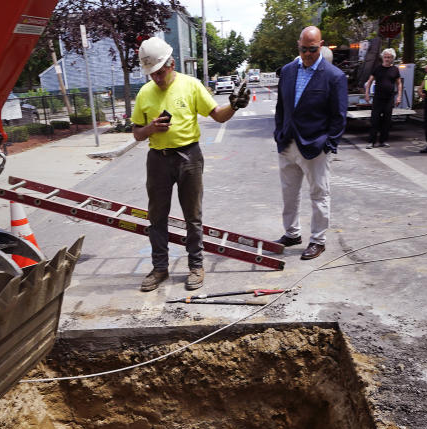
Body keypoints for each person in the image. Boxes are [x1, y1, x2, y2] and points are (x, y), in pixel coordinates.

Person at [131, 37, 250, 292]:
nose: (157, 78)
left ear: (171, 64)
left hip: (189, 157)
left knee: (192, 216)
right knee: (157, 216)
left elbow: (218, 116)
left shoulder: (191, 86)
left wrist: (234, 106)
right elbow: (137, 133)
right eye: (152, 74)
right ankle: (160, 268)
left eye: (160, 72)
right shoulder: (144, 93)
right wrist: (152, 127)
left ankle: (196, 266)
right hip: (158, 160)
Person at [273, 26, 348, 261]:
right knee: (289, 193)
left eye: (313, 49)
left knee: (319, 194)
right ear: (298, 45)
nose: (307, 54)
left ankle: (318, 240)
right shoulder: (287, 71)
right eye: (304, 49)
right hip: (288, 143)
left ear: (321, 45)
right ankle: (292, 234)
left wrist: (329, 144)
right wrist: (279, 133)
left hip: (315, 146)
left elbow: (339, 116)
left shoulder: (334, 76)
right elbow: (281, 108)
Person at [363, 48, 402, 148]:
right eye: (385, 57)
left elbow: (399, 83)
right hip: (378, 98)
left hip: (389, 99)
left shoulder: (395, 69)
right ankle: (371, 141)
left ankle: (383, 141)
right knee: (374, 120)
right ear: (382, 58)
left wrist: (399, 97)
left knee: (386, 120)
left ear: (392, 58)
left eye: (389, 57)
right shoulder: (377, 68)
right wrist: (366, 94)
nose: (387, 59)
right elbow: (369, 81)